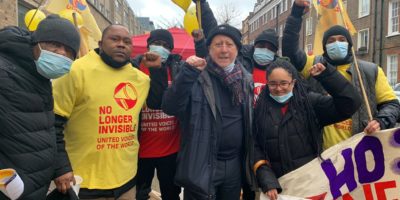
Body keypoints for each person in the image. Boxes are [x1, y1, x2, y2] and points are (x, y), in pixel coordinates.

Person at [282, 0, 400, 149]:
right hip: (319, 156)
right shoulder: (313, 65)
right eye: (331, 41)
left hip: (358, 153)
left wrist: (381, 121)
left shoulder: (372, 71)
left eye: (342, 40)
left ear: (349, 44)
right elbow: (290, 51)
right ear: (325, 46)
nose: (336, 43)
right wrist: (296, 13)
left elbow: (392, 104)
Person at [52, 24, 150, 200]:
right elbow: (52, 124)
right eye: (114, 39)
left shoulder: (142, 80)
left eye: (127, 41)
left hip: (126, 180)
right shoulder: (74, 71)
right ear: (100, 43)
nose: (121, 44)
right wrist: (61, 168)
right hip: (83, 182)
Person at [162, 24, 256, 200]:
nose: (224, 50)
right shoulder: (194, 75)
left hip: (235, 164)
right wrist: (187, 74)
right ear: (209, 49)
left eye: (229, 44)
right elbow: (170, 107)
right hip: (202, 162)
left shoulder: (245, 80)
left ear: (237, 49)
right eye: (218, 44)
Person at [253, 59, 361, 200]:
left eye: (284, 83)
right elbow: (255, 148)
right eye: (273, 84)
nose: (278, 88)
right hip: (277, 188)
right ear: (267, 84)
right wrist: (267, 180)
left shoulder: (310, 104)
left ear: (293, 82)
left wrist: (328, 75)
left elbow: (350, 103)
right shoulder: (259, 110)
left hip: (311, 184)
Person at [0, 14, 80, 199]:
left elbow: (45, 127)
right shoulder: (4, 72)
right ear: (35, 42)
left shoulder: (39, 77)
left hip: (32, 188)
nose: (61, 53)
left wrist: (61, 167)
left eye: (69, 50)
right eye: (54, 44)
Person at [131, 29, 183, 200]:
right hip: (140, 149)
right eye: (157, 44)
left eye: (166, 46)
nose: (161, 48)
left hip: (170, 149)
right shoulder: (134, 68)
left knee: (171, 194)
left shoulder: (177, 70)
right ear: (148, 46)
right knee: (138, 194)